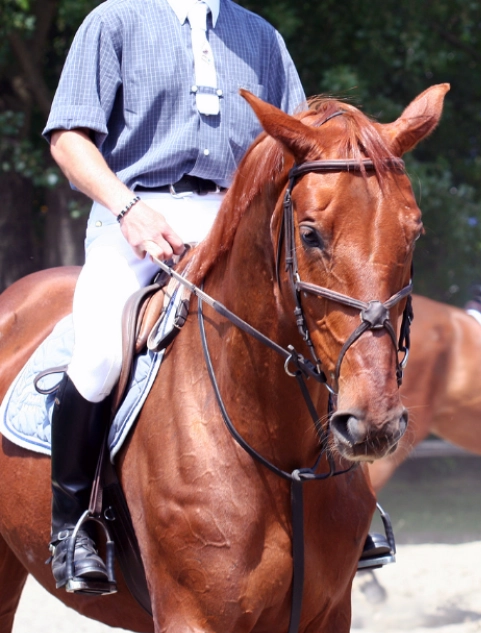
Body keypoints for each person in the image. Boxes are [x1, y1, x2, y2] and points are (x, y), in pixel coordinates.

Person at [41, 0, 307, 594]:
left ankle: (341, 503)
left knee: (315, 330)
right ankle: (73, 527)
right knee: (101, 355)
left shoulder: (259, 35)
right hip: (134, 211)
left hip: (239, 221)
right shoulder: (113, 21)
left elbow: (299, 144)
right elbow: (69, 140)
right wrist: (128, 210)